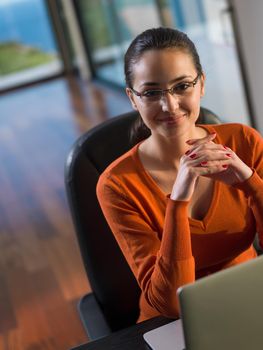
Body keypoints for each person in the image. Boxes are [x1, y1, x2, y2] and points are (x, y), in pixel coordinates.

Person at [96, 27, 263, 322]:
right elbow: (171, 304)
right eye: (151, 92)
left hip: (248, 298)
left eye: (182, 86)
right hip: (174, 325)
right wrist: (178, 200)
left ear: (202, 85)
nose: (169, 105)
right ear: (133, 99)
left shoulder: (244, 142)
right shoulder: (117, 185)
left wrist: (251, 184)